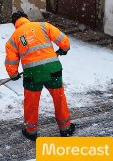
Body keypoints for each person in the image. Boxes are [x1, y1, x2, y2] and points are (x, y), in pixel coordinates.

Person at [5, 11, 75, 141]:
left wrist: (13, 74)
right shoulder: (43, 26)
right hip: (52, 70)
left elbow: (11, 62)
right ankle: (65, 128)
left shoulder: (13, 39)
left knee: (31, 103)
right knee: (59, 99)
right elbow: (63, 41)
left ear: (14, 24)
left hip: (32, 75)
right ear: (26, 18)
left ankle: (31, 131)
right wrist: (64, 49)